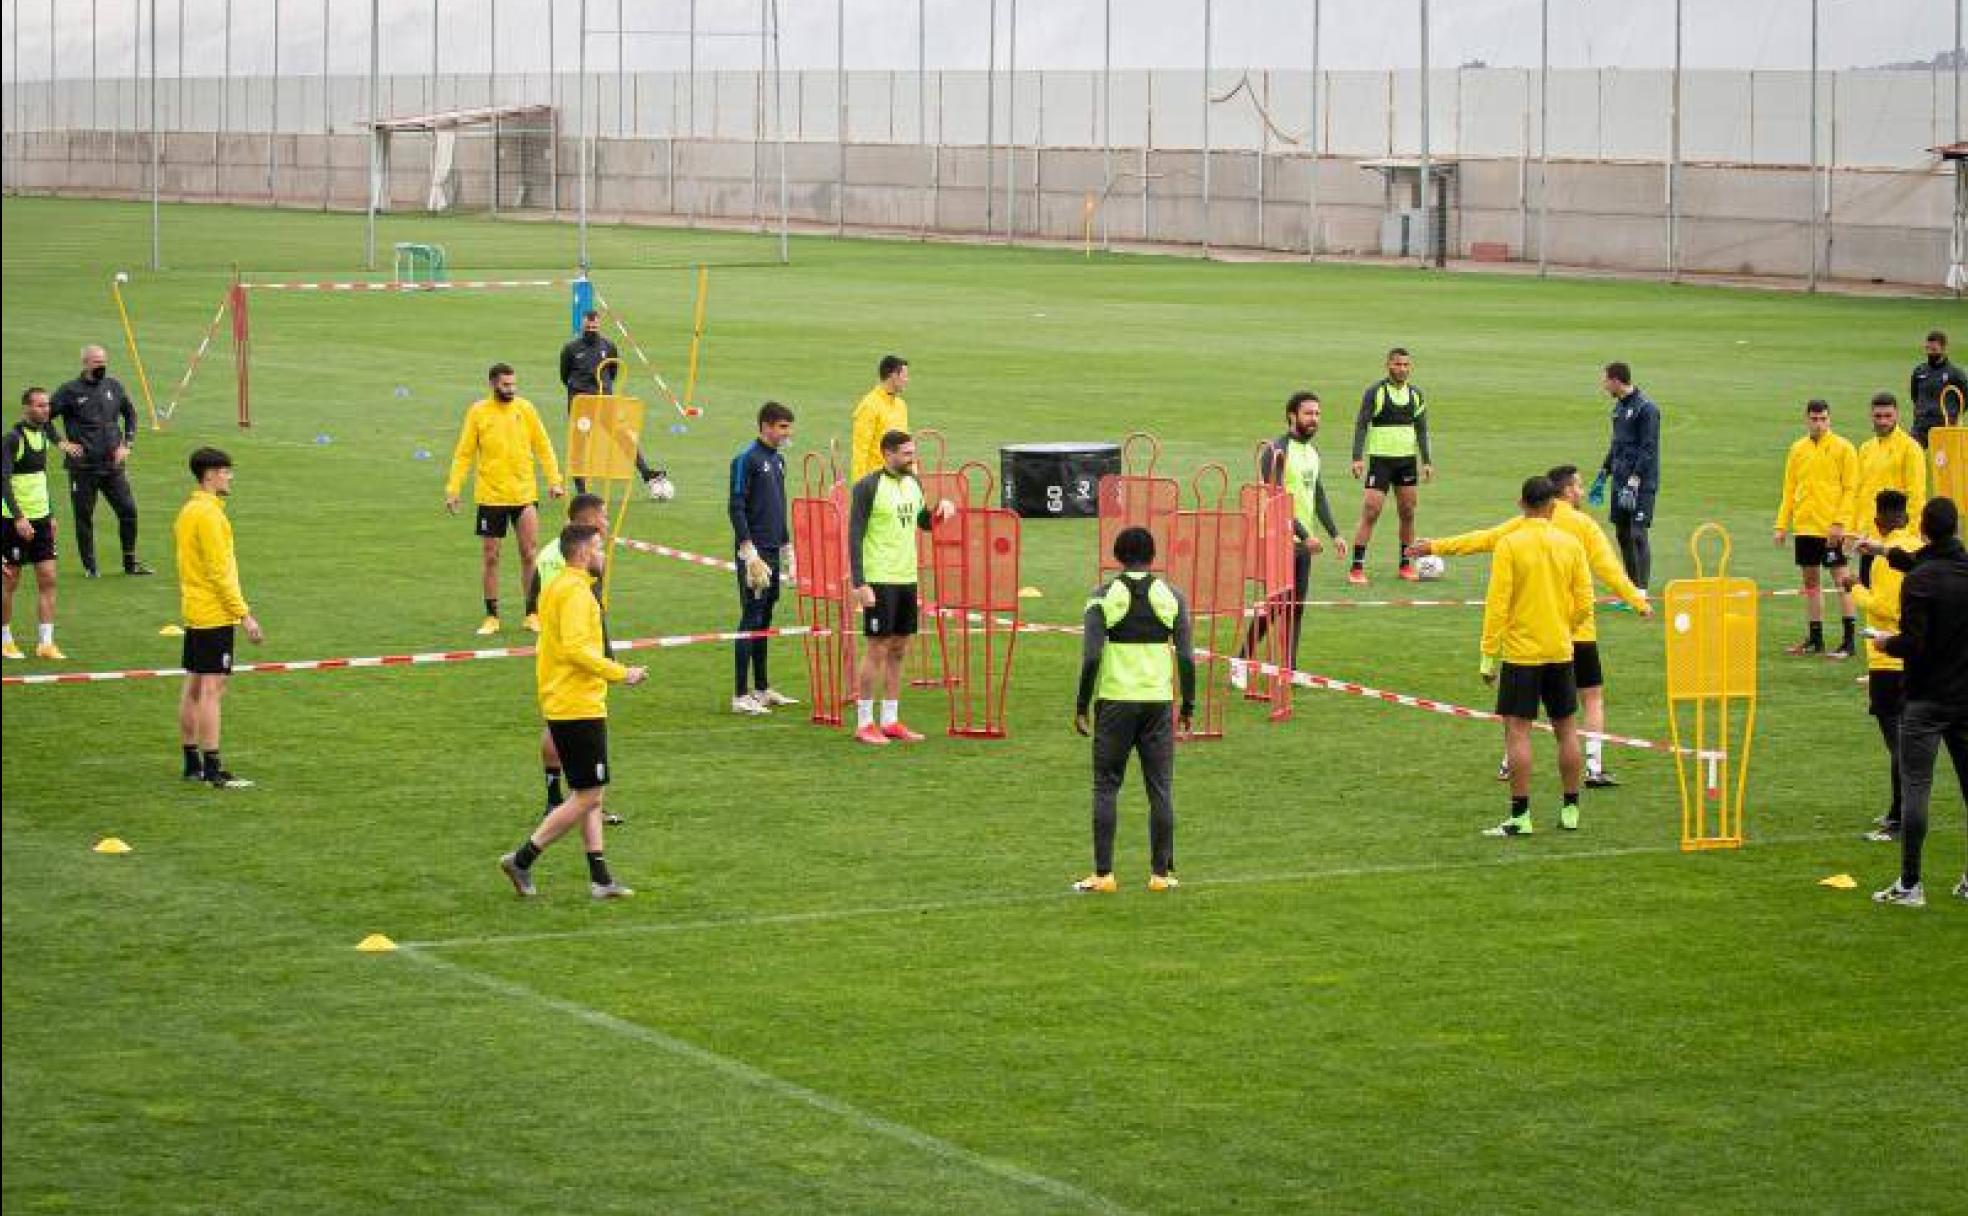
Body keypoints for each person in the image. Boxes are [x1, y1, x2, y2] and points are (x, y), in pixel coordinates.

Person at [1414, 463, 1651, 789]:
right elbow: (1610, 570)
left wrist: (1436, 546)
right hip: (1576, 634)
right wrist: (1638, 601)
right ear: (1565, 492)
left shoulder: (1525, 523)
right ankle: (1593, 766)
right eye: (1579, 486)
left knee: (1519, 711)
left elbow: (1485, 539)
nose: (1582, 492)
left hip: (1533, 633)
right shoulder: (1584, 526)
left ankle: (1508, 762)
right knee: (1590, 699)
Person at [499, 524, 648, 900]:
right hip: (577, 704)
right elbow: (578, 651)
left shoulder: (558, 587)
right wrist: (621, 673)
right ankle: (522, 859)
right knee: (586, 795)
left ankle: (600, 879)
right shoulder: (579, 594)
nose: (603, 554)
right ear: (582, 553)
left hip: (563, 699)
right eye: (598, 547)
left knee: (592, 794)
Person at [1073, 525, 1196, 893]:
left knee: (1106, 787)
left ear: (1118, 556)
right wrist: (1188, 704)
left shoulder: (1101, 597)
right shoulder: (1173, 596)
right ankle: (1160, 875)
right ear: (1153, 556)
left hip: (1115, 703)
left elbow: (1092, 654)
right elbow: (1187, 657)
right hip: (1158, 702)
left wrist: (1082, 704)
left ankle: (1104, 875)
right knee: (1160, 788)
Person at [1477, 475, 1592, 837]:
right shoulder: (1570, 544)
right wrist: (1564, 625)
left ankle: (1521, 816)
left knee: (1517, 732)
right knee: (1567, 730)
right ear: (1553, 506)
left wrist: (1487, 654)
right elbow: (1585, 601)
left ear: (1521, 504)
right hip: (1560, 650)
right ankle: (1571, 808)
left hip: (1522, 655)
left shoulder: (1510, 545)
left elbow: (1498, 603)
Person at [1872, 497, 1968, 907]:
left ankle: (1911, 884)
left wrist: (1883, 642)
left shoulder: (1921, 582)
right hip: (1965, 698)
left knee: (1916, 789)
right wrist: (1883, 551)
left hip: (1925, 701)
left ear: (1924, 531)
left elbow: (1913, 643)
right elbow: (1933, 569)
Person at [846, 429, 956, 745]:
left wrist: (939, 512)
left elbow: (922, 523)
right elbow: (854, 535)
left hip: (907, 577)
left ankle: (891, 720)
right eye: (907, 453)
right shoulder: (868, 487)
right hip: (879, 578)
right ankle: (865, 723)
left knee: (898, 649)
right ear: (888, 454)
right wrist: (859, 582)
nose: (913, 458)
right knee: (877, 647)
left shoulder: (914, 483)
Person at [1233, 391, 1345, 689]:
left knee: (1296, 606)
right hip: (1276, 538)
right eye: (1308, 413)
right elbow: (1277, 497)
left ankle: (1290, 670)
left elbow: (1317, 493)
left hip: (1301, 543)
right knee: (1274, 605)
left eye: (1318, 414)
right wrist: (1306, 535)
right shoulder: (1276, 451)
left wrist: (1334, 533)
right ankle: (1240, 661)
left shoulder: (1313, 453)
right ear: (1292, 416)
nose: (1314, 419)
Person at [526, 493, 626, 827]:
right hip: (568, 651)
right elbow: (559, 601)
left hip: (572, 640)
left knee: (560, 725)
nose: (607, 524)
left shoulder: (563, 550)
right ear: (588, 520)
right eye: (604, 517)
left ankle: (573, 800)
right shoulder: (561, 557)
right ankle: (575, 800)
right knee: (568, 725)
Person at [445, 362, 565, 637]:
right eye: (506, 385)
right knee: (491, 557)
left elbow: (544, 447)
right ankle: (492, 616)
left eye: (513, 384)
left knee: (529, 553)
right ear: (492, 384)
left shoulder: (526, 409)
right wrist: (453, 489)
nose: (511, 389)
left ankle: (532, 613)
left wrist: (555, 481)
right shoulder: (478, 412)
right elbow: (464, 454)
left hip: (524, 495)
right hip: (491, 496)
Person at [174, 447, 263, 789]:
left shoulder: (188, 510)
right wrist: (244, 615)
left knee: (194, 684)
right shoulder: (210, 516)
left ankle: (191, 761)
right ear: (209, 475)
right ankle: (213, 767)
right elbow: (219, 571)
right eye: (226, 471)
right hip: (213, 612)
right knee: (213, 688)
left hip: (195, 608)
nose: (230, 477)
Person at [1835, 490, 1919, 843]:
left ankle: (1900, 819)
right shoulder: (1914, 547)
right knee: (1905, 741)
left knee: (1897, 743)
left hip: (1887, 658)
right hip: (1914, 658)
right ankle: (1897, 811)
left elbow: (1885, 607)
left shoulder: (1889, 561)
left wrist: (1854, 588)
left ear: (1883, 518)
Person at [49, 344, 152, 577]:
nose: (101, 365)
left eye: (104, 361)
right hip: (83, 468)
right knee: (84, 516)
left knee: (128, 510)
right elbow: (45, 418)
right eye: (96, 362)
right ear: (85, 363)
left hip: (112, 466)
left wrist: (127, 444)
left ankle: (130, 563)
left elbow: (131, 414)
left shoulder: (113, 386)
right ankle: (90, 567)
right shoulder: (69, 391)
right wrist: (61, 442)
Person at [1774, 399, 1860, 658]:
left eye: (1823, 419)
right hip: (1805, 527)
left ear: (1830, 419)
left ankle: (1848, 641)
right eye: (1814, 419)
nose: (1819, 424)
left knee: (1842, 581)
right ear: (1806, 420)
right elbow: (1789, 489)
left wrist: (1840, 523)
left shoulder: (1844, 448)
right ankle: (1815, 638)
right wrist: (1781, 525)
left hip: (1831, 530)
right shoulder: (1797, 449)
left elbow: (1850, 489)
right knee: (1810, 582)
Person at [729, 401, 799, 716]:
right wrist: (748, 551)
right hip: (754, 554)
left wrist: (788, 550)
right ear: (767, 426)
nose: (788, 433)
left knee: (766, 619)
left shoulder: (779, 461)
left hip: (772, 549)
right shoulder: (746, 460)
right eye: (783, 427)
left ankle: (761, 688)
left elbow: (778, 507)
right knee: (750, 619)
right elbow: (736, 506)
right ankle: (740, 694)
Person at [559, 309, 673, 501]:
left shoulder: (608, 346)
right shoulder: (570, 349)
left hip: (605, 401)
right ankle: (581, 492)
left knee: (623, 436)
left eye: (594, 327)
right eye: (588, 326)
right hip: (582, 405)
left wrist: (603, 388)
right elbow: (565, 375)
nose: (591, 330)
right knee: (579, 446)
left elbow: (613, 372)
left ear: (600, 325)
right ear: (582, 325)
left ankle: (646, 473)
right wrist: (581, 390)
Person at [1347, 346, 1433, 585]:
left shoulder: (1415, 395)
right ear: (1388, 365)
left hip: (1406, 461)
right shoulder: (1375, 392)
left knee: (1408, 512)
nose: (1402, 369)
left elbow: (1422, 429)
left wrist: (1426, 461)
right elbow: (1362, 425)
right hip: (1381, 461)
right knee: (1371, 511)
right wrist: (1357, 457)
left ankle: (1405, 565)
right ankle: (1356, 568)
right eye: (1397, 364)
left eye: (1406, 365)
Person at [2, 388, 63, 660]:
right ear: (26, 408)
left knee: (48, 578)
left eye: (47, 405)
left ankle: (45, 643)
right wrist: (18, 517)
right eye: (39, 406)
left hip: (40, 520)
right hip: (13, 523)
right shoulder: (12, 439)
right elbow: (3, 482)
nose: (45, 410)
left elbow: (39, 479)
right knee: (9, 581)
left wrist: (49, 514)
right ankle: (5, 640)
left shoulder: (42, 437)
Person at [1592, 361, 1661, 595]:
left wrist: (1635, 479)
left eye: (1605, 381)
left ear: (1616, 380)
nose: (1604, 386)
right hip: (1620, 481)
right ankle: (1630, 589)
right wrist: (1604, 472)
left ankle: (1641, 591)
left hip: (1640, 484)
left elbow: (1648, 448)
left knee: (1638, 533)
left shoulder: (1646, 409)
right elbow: (1617, 445)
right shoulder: (1618, 409)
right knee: (1622, 533)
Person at [1848, 392, 1926, 582]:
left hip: (1896, 542)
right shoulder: (1866, 449)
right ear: (1871, 416)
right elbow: (1860, 494)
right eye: (1878, 416)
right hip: (1869, 539)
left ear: (1897, 415)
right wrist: (1854, 531)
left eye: (1887, 416)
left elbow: (1916, 495)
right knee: (1869, 595)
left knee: (1891, 602)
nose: (1883, 421)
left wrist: (1912, 537)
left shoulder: (1910, 448)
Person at [850, 355, 910, 482]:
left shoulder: (901, 405)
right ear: (894, 376)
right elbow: (860, 451)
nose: (907, 380)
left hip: (899, 480)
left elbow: (906, 446)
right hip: (876, 482)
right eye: (904, 376)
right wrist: (859, 489)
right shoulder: (869, 406)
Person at [1908, 329, 1968, 449]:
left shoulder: (1955, 373)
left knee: (1941, 462)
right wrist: (1921, 410)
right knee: (1911, 452)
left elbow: (1966, 396)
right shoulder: (1919, 371)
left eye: (1934, 350)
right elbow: (1915, 395)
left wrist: (1954, 414)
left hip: (1944, 426)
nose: (1930, 353)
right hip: (1921, 425)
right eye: (1927, 349)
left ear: (1944, 349)